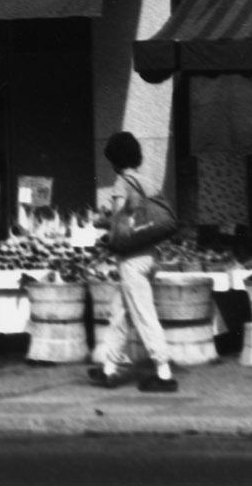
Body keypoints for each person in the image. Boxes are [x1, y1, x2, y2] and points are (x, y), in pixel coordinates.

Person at [89, 132, 177, 392]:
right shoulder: (147, 180)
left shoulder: (121, 183)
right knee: (121, 315)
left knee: (144, 315)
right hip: (150, 255)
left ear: (115, 161)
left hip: (132, 261)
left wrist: (102, 223)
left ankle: (164, 373)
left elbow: (118, 222)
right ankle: (109, 369)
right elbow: (141, 216)